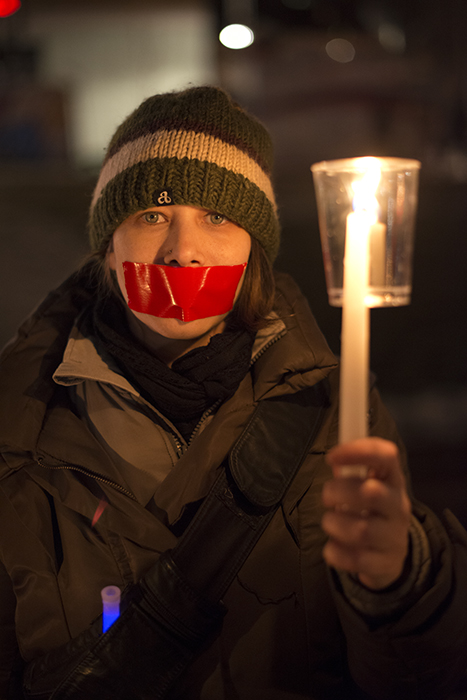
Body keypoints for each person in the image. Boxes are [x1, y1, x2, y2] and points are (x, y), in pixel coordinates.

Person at [0, 85, 466, 700]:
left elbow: (419, 680)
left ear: (254, 250)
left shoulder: (337, 413)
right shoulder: (18, 433)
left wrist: (400, 582)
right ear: (109, 251)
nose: (183, 252)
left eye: (216, 216)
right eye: (152, 214)